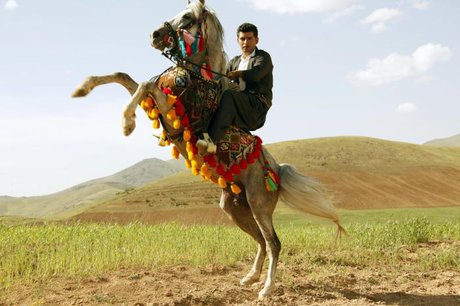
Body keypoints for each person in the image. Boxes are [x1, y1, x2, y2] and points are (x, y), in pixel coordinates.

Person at [197, 22, 273, 154]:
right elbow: (221, 77)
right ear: (238, 40)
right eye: (242, 39)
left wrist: (237, 74)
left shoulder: (263, 57)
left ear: (257, 40)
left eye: (249, 38)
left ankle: (211, 142)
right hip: (238, 104)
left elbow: (256, 75)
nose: (245, 42)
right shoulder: (234, 61)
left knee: (228, 95)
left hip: (256, 107)